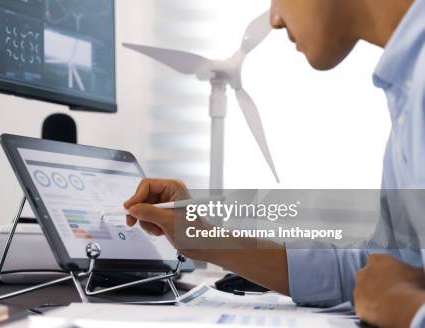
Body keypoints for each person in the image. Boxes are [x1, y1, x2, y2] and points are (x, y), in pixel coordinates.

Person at [123, 0, 425, 327]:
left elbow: (392, 293)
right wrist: (203, 237)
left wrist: (408, 311)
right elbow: (376, 276)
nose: (275, 19)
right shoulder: (407, 90)